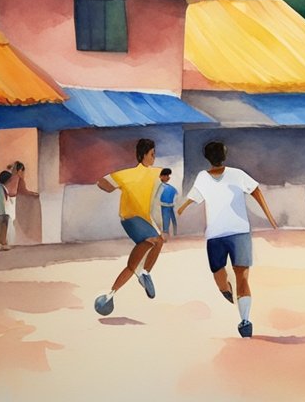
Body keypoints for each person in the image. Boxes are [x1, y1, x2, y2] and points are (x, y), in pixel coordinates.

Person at [175, 141, 279, 338]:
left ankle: (245, 321)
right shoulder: (203, 177)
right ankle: (227, 291)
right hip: (216, 234)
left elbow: (256, 191)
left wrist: (269, 215)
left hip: (238, 232)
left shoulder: (237, 174)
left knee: (242, 277)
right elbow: (195, 196)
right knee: (219, 277)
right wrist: (183, 206)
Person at [93, 138, 166, 316]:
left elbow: (102, 183)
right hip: (131, 219)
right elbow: (101, 182)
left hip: (143, 220)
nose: (154, 158)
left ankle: (111, 294)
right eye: (151, 154)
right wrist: (114, 188)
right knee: (154, 239)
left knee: (152, 247)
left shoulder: (154, 173)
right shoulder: (128, 174)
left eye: (154, 154)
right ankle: (143, 273)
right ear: (142, 155)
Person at [159, 168, 179, 237]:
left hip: (170, 206)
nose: (167, 177)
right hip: (163, 206)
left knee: (173, 221)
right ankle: (166, 234)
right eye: (165, 175)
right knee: (166, 221)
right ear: (161, 176)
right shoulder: (159, 187)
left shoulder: (171, 187)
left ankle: (175, 234)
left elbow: (176, 195)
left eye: (168, 175)